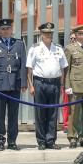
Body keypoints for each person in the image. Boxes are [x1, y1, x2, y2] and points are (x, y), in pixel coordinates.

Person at [0, 18, 26, 150]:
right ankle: (1, 140)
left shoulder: (19, 44)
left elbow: (23, 65)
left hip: (14, 83)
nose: (5, 31)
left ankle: (12, 140)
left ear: (11, 29)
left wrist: (23, 82)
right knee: (0, 114)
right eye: (3, 29)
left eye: (7, 28)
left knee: (13, 114)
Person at [26, 22, 67, 150]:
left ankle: (51, 140)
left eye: (50, 33)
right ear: (41, 34)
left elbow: (63, 68)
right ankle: (41, 140)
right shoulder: (35, 48)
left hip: (54, 83)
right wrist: (31, 86)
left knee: (53, 113)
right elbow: (29, 69)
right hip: (40, 83)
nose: (48, 35)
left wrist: (62, 85)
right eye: (45, 33)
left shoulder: (58, 48)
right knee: (40, 113)